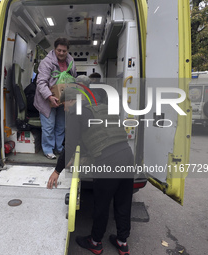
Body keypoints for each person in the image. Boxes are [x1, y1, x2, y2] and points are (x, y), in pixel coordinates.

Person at [47, 87, 134, 255]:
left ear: (72, 100)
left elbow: (70, 145)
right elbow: (101, 134)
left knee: (101, 204)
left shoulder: (75, 112)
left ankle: (95, 242)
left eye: (64, 103)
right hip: (127, 156)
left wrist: (57, 171)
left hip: (108, 162)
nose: (64, 108)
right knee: (123, 202)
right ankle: (122, 242)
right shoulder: (100, 106)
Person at [34, 38, 77, 159]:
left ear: (67, 51)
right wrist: (50, 96)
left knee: (61, 126)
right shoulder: (46, 62)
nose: (61, 53)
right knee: (49, 126)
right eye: (59, 50)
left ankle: (59, 148)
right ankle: (48, 150)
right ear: (54, 49)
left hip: (63, 99)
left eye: (64, 51)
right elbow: (41, 83)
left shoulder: (71, 62)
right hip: (46, 100)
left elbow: (73, 78)